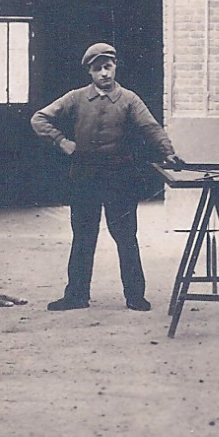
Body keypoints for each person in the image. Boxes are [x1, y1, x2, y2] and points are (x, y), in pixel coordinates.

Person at [31, 42, 182, 312]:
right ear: (90, 72)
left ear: (115, 67)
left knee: (125, 235)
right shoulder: (76, 97)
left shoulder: (129, 99)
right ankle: (76, 295)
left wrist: (168, 152)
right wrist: (61, 141)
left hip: (119, 176)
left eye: (108, 67)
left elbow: (151, 127)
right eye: (98, 68)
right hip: (84, 174)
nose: (104, 74)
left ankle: (135, 296)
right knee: (83, 236)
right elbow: (39, 118)